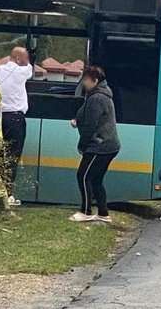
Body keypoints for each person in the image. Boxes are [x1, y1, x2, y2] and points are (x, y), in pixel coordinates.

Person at [69, 66, 120, 223]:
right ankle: (103, 213)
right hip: (109, 145)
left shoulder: (97, 98)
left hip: (99, 145)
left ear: (95, 80)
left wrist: (82, 145)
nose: (83, 83)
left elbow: (91, 124)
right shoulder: (101, 94)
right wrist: (78, 120)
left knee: (83, 176)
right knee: (96, 179)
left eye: (85, 80)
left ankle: (86, 211)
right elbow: (87, 115)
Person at [0, 47, 33, 206]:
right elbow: (30, 69)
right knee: (12, 156)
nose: (27, 62)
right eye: (25, 58)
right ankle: (8, 193)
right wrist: (21, 62)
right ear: (18, 59)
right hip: (16, 119)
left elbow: (1, 62)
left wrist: (9, 58)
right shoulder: (22, 72)